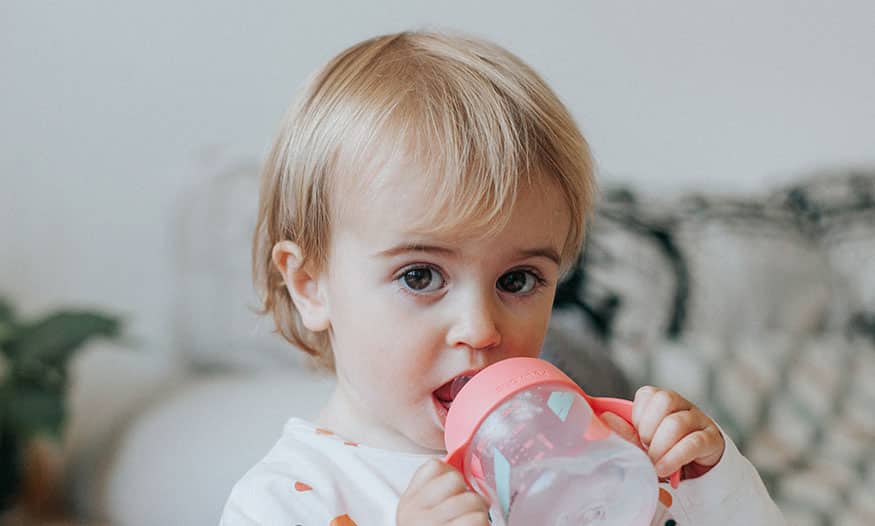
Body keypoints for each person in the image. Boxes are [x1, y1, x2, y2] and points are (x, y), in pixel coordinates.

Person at [220, 30, 784, 525]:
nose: (480, 328)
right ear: (310, 285)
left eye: (517, 280)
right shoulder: (285, 501)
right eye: (420, 275)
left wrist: (708, 483)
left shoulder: (590, 457)